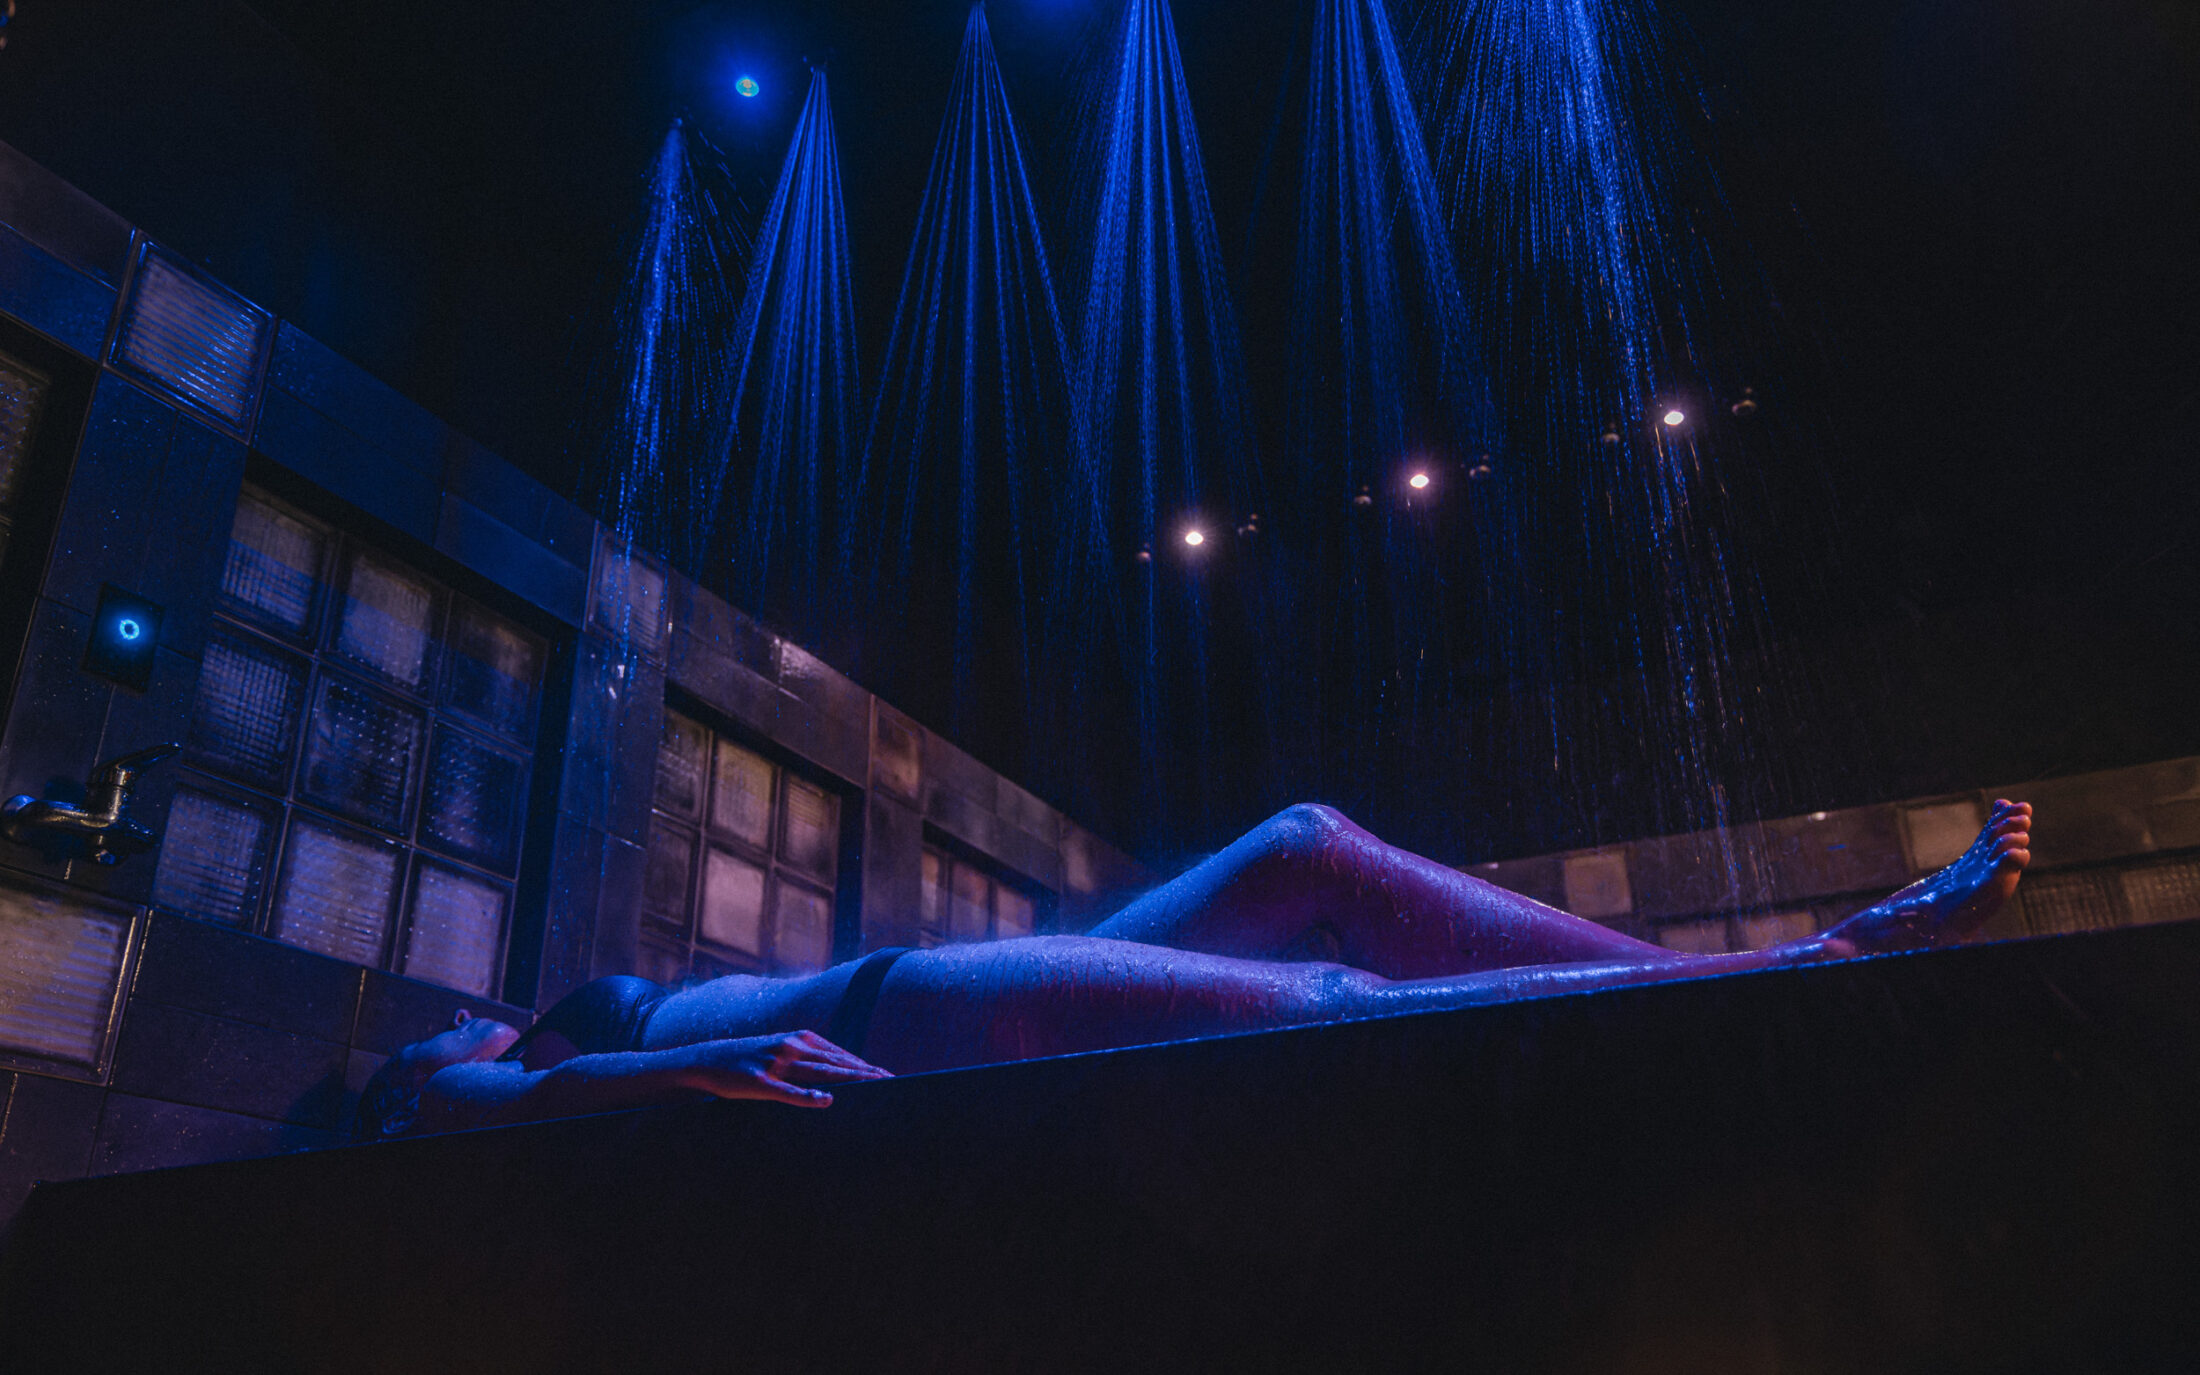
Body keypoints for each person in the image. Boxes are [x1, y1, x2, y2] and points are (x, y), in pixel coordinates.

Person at [356, 798, 2033, 1140]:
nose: (454, 1021)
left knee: (1309, 851)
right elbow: (516, 1101)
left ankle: (1755, 970)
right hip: (910, 1023)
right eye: (432, 1037)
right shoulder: (439, 1105)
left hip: (919, 986)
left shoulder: (534, 1054)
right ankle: (1805, 968)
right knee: (1334, 1014)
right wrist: (683, 1064)